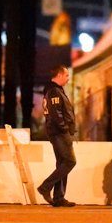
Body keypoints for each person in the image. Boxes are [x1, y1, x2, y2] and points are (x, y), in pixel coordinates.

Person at [36, 65, 77, 207]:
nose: (68, 78)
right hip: (59, 132)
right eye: (66, 75)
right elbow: (56, 113)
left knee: (62, 164)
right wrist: (65, 128)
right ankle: (45, 187)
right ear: (59, 75)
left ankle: (59, 197)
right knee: (70, 162)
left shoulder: (53, 90)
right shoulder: (54, 91)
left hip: (57, 132)